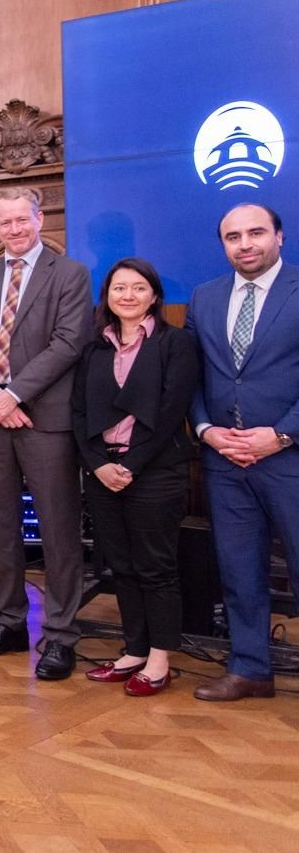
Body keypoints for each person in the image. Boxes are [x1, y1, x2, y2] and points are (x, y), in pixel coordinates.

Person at [0, 187, 92, 680]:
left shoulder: (70, 274)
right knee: (0, 527)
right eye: (5, 222)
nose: (14, 229)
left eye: (22, 219)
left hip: (44, 419)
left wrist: (13, 394)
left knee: (57, 530)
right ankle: (10, 621)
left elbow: (69, 343)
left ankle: (60, 635)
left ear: (39, 219)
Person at [185, 202, 299, 701]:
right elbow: (189, 375)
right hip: (224, 460)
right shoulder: (205, 297)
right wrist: (205, 429)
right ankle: (250, 668)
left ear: (279, 236)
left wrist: (282, 434)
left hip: (289, 456)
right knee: (238, 570)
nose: (245, 244)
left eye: (256, 233)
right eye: (233, 237)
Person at [73, 258, 199, 697]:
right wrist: (97, 465)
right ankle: (134, 650)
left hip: (154, 471)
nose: (128, 295)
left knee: (155, 567)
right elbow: (78, 412)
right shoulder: (93, 348)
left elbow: (171, 413)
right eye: (119, 287)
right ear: (106, 295)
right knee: (121, 566)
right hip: (102, 473)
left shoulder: (174, 343)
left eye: (138, 287)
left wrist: (131, 465)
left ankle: (160, 660)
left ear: (154, 295)